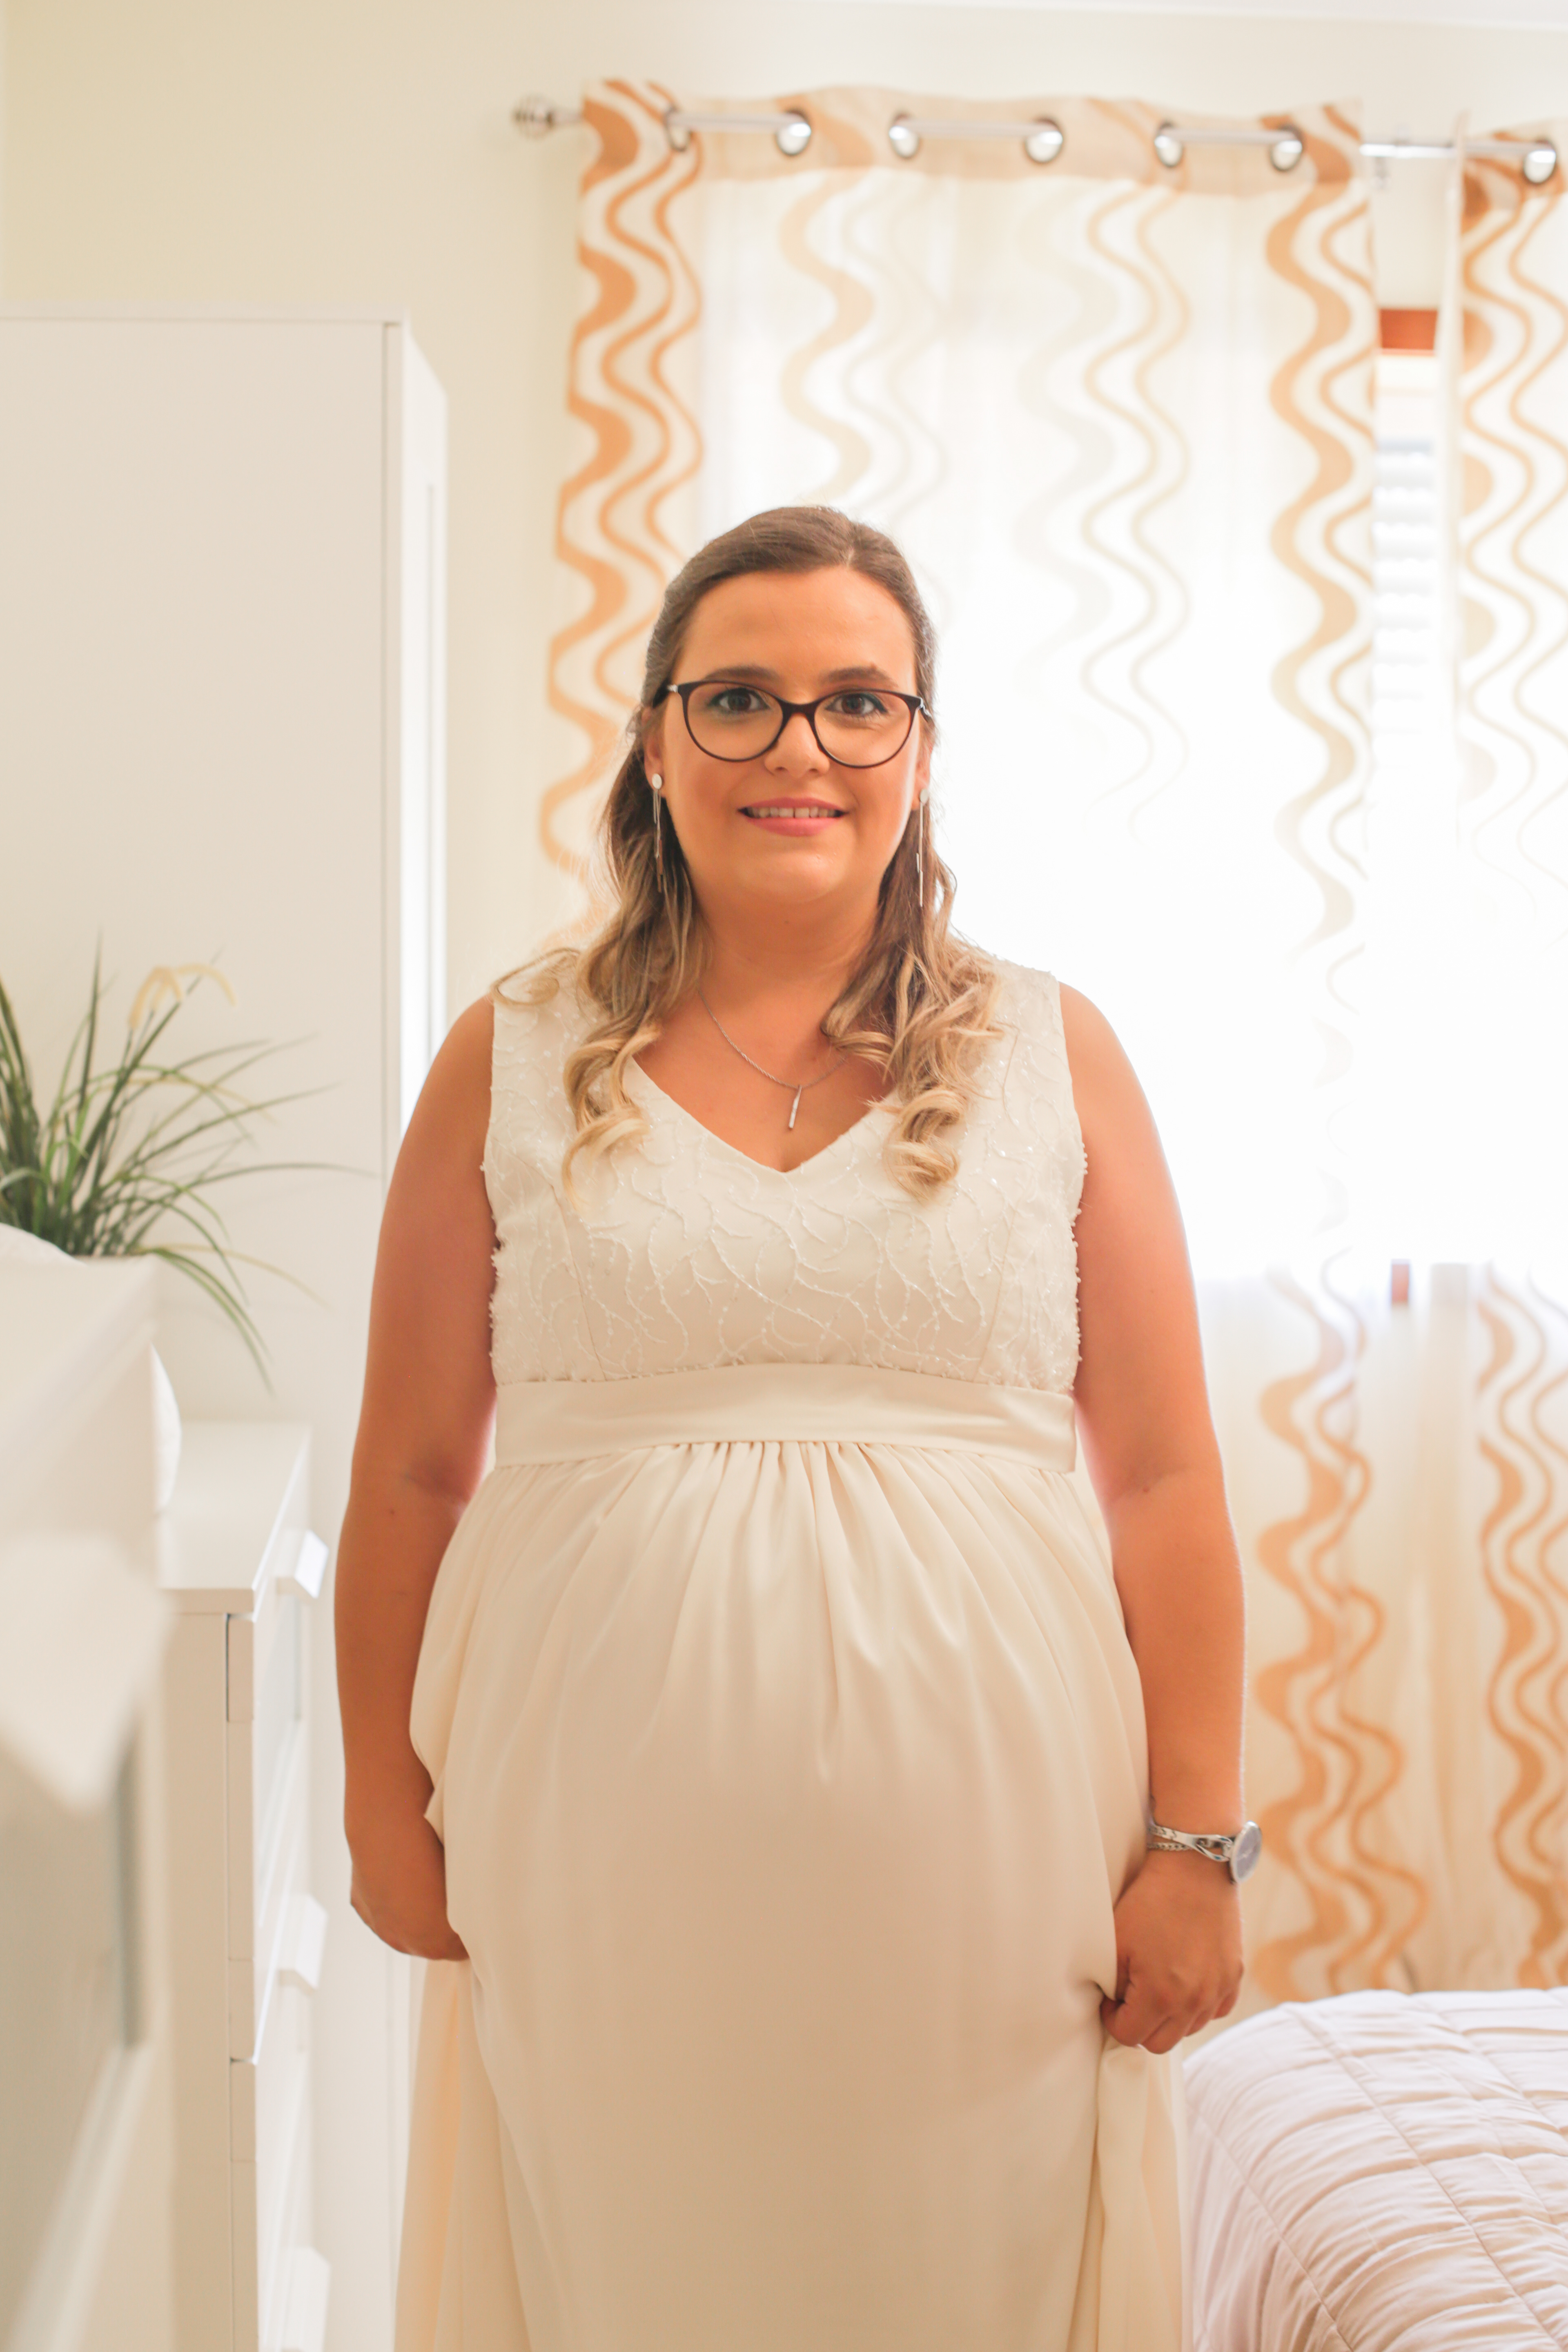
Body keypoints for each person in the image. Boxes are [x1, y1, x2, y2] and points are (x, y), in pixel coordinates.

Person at [336, 505, 1248, 2352]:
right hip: (591, 1851)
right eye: (740, 698)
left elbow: (1162, 1477)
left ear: (922, 745)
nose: (799, 748)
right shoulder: (510, 1051)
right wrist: (374, 1801)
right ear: (657, 739)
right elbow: (413, 1471)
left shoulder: (1055, 1052)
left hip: (997, 1870)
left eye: (857, 701)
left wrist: (1199, 1842)